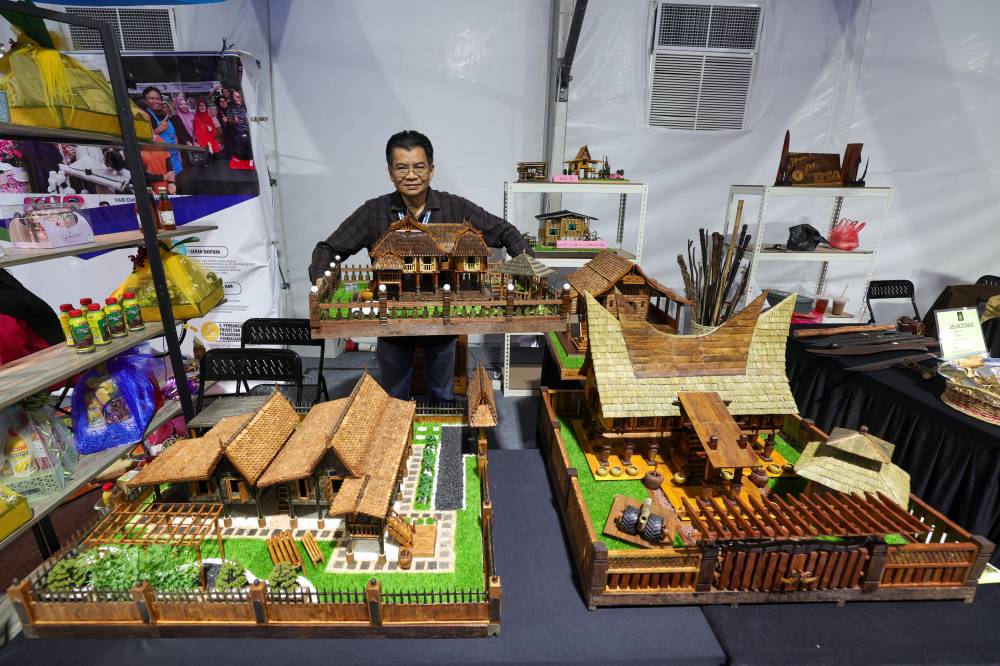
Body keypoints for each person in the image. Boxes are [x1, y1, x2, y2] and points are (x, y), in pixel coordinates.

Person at [308, 130, 527, 402]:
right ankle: (395, 438)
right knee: (394, 397)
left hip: (441, 323)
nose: (410, 175)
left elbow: (506, 232)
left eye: (418, 167)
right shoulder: (374, 212)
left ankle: (444, 438)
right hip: (391, 325)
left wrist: (524, 269)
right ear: (390, 172)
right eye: (401, 167)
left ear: (431, 171)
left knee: (442, 395)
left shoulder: (455, 208)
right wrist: (321, 277)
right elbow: (328, 248)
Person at [140, 86, 182, 176]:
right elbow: (141, 141)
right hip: (161, 165)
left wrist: (179, 155)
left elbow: (174, 136)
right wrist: (157, 130)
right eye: (151, 98)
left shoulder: (164, 114)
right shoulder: (145, 116)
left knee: (179, 188)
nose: (156, 101)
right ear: (145, 101)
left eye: (158, 99)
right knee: (165, 189)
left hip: (175, 161)